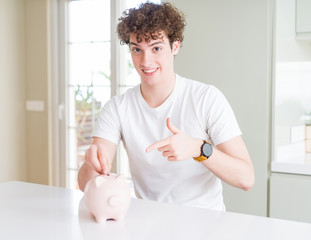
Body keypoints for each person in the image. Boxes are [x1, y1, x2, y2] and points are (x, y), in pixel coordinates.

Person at [78, 2, 254, 211]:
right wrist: (91, 166)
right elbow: (85, 183)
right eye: (137, 49)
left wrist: (198, 148)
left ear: (175, 46)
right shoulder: (117, 108)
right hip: (150, 221)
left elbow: (246, 179)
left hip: (205, 222)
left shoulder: (207, 98)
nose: (146, 61)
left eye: (156, 48)